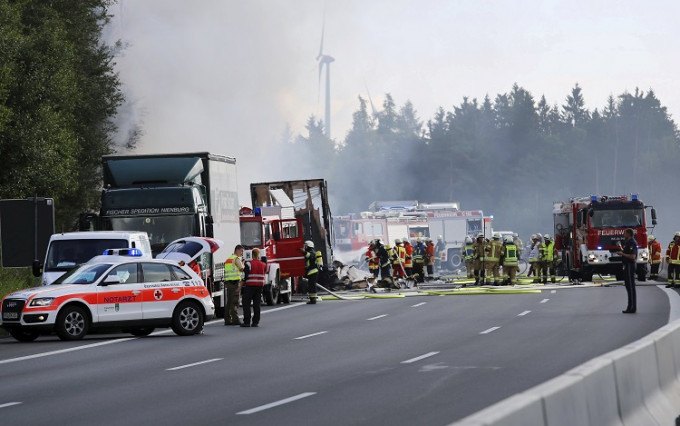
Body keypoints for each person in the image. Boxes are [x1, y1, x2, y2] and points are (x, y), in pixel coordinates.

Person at [240, 248, 266, 326]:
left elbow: (245, 276)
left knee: (246, 303)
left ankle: (247, 321)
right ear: (258, 255)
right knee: (257, 304)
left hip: (250, 286)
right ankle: (255, 322)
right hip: (260, 286)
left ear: (252, 255)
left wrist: (240, 286)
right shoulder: (263, 264)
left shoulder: (249, 264)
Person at [616, 228, 638, 313]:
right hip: (626, 265)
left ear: (629, 234)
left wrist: (622, 253)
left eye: (624, 233)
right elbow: (627, 252)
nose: (623, 234)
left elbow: (632, 256)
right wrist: (621, 248)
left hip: (630, 265)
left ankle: (632, 307)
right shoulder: (628, 242)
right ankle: (629, 306)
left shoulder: (632, 243)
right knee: (628, 286)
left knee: (631, 286)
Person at [223, 245, 244, 326]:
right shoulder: (236, 259)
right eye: (241, 251)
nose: (242, 253)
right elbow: (242, 269)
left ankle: (227, 320)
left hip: (228, 283)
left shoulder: (229, 258)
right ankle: (235, 319)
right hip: (235, 283)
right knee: (235, 302)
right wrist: (243, 264)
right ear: (237, 250)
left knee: (229, 302)